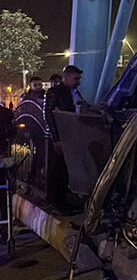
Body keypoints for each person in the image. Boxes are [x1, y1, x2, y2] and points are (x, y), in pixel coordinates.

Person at [44, 65, 83, 208]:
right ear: (66, 77)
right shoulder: (54, 92)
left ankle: (63, 197)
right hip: (61, 136)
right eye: (76, 78)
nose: (78, 82)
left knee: (65, 168)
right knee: (58, 170)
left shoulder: (74, 92)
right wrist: (56, 139)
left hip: (70, 135)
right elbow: (48, 114)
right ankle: (57, 201)